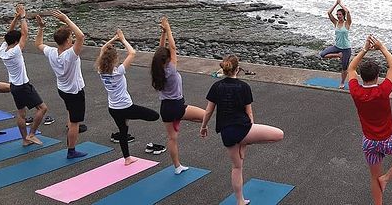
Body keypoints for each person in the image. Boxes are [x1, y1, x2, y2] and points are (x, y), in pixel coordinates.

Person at [201, 54, 284, 205]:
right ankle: (246, 142)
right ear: (237, 69)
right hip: (243, 129)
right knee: (279, 134)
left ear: (224, 69)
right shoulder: (244, 86)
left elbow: (208, 111)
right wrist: (250, 134)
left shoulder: (216, 86)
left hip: (227, 133)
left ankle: (240, 201)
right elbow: (249, 113)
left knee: (237, 167)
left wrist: (203, 127)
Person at [347, 35, 392, 205]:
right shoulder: (383, 90)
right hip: (388, 142)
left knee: (374, 178)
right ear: (378, 75)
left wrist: (364, 49)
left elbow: (350, 69)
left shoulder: (356, 91)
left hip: (369, 143)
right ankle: (387, 177)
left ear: (361, 76)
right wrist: (382, 47)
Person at [97, 29, 160, 166]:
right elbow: (132, 53)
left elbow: (102, 49)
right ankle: (127, 157)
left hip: (113, 108)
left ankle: (127, 158)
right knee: (154, 116)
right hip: (126, 107)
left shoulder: (100, 71)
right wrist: (122, 39)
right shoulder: (118, 72)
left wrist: (114, 39)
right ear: (114, 60)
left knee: (123, 131)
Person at [151, 17, 204, 174]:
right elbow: (173, 48)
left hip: (166, 109)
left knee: (172, 139)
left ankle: (177, 167)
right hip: (177, 106)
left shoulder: (156, 71)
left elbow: (159, 52)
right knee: (205, 116)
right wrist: (168, 28)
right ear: (168, 60)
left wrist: (163, 33)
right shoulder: (171, 70)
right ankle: (202, 127)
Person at [35, 11, 89, 158]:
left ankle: (69, 125)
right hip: (74, 92)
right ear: (66, 41)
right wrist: (65, 19)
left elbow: (38, 44)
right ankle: (71, 150)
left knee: (70, 112)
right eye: (70, 38)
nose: (72, 39)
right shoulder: (70, 55)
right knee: (75, 123)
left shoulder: (52, 52)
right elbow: (81, 36)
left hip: (63, 89)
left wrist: (41, 27)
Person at [0, 4, 48, 146]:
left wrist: (16, 18)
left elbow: (9, 32)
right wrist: (23, 16)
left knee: (21, 114)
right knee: (43, 108)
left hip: (14, 86)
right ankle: (31, 134)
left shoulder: (3, 50)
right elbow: (25, 34)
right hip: (23, 86)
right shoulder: (15, 52)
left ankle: (25, 139)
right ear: (15, 42)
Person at [320, 0, 352, 89]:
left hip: (346, 49)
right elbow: (329, 13)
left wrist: (341, 3)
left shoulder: (347, 23)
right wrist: (336, 3)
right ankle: (338, 55)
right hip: (337, 47)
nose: (338, 16)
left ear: (343, 15)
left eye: (340, 15)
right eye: (337, 15)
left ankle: (342, 83)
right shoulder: (336, 22)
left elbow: (348, 11)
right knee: (323, 54)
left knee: (344, 68)